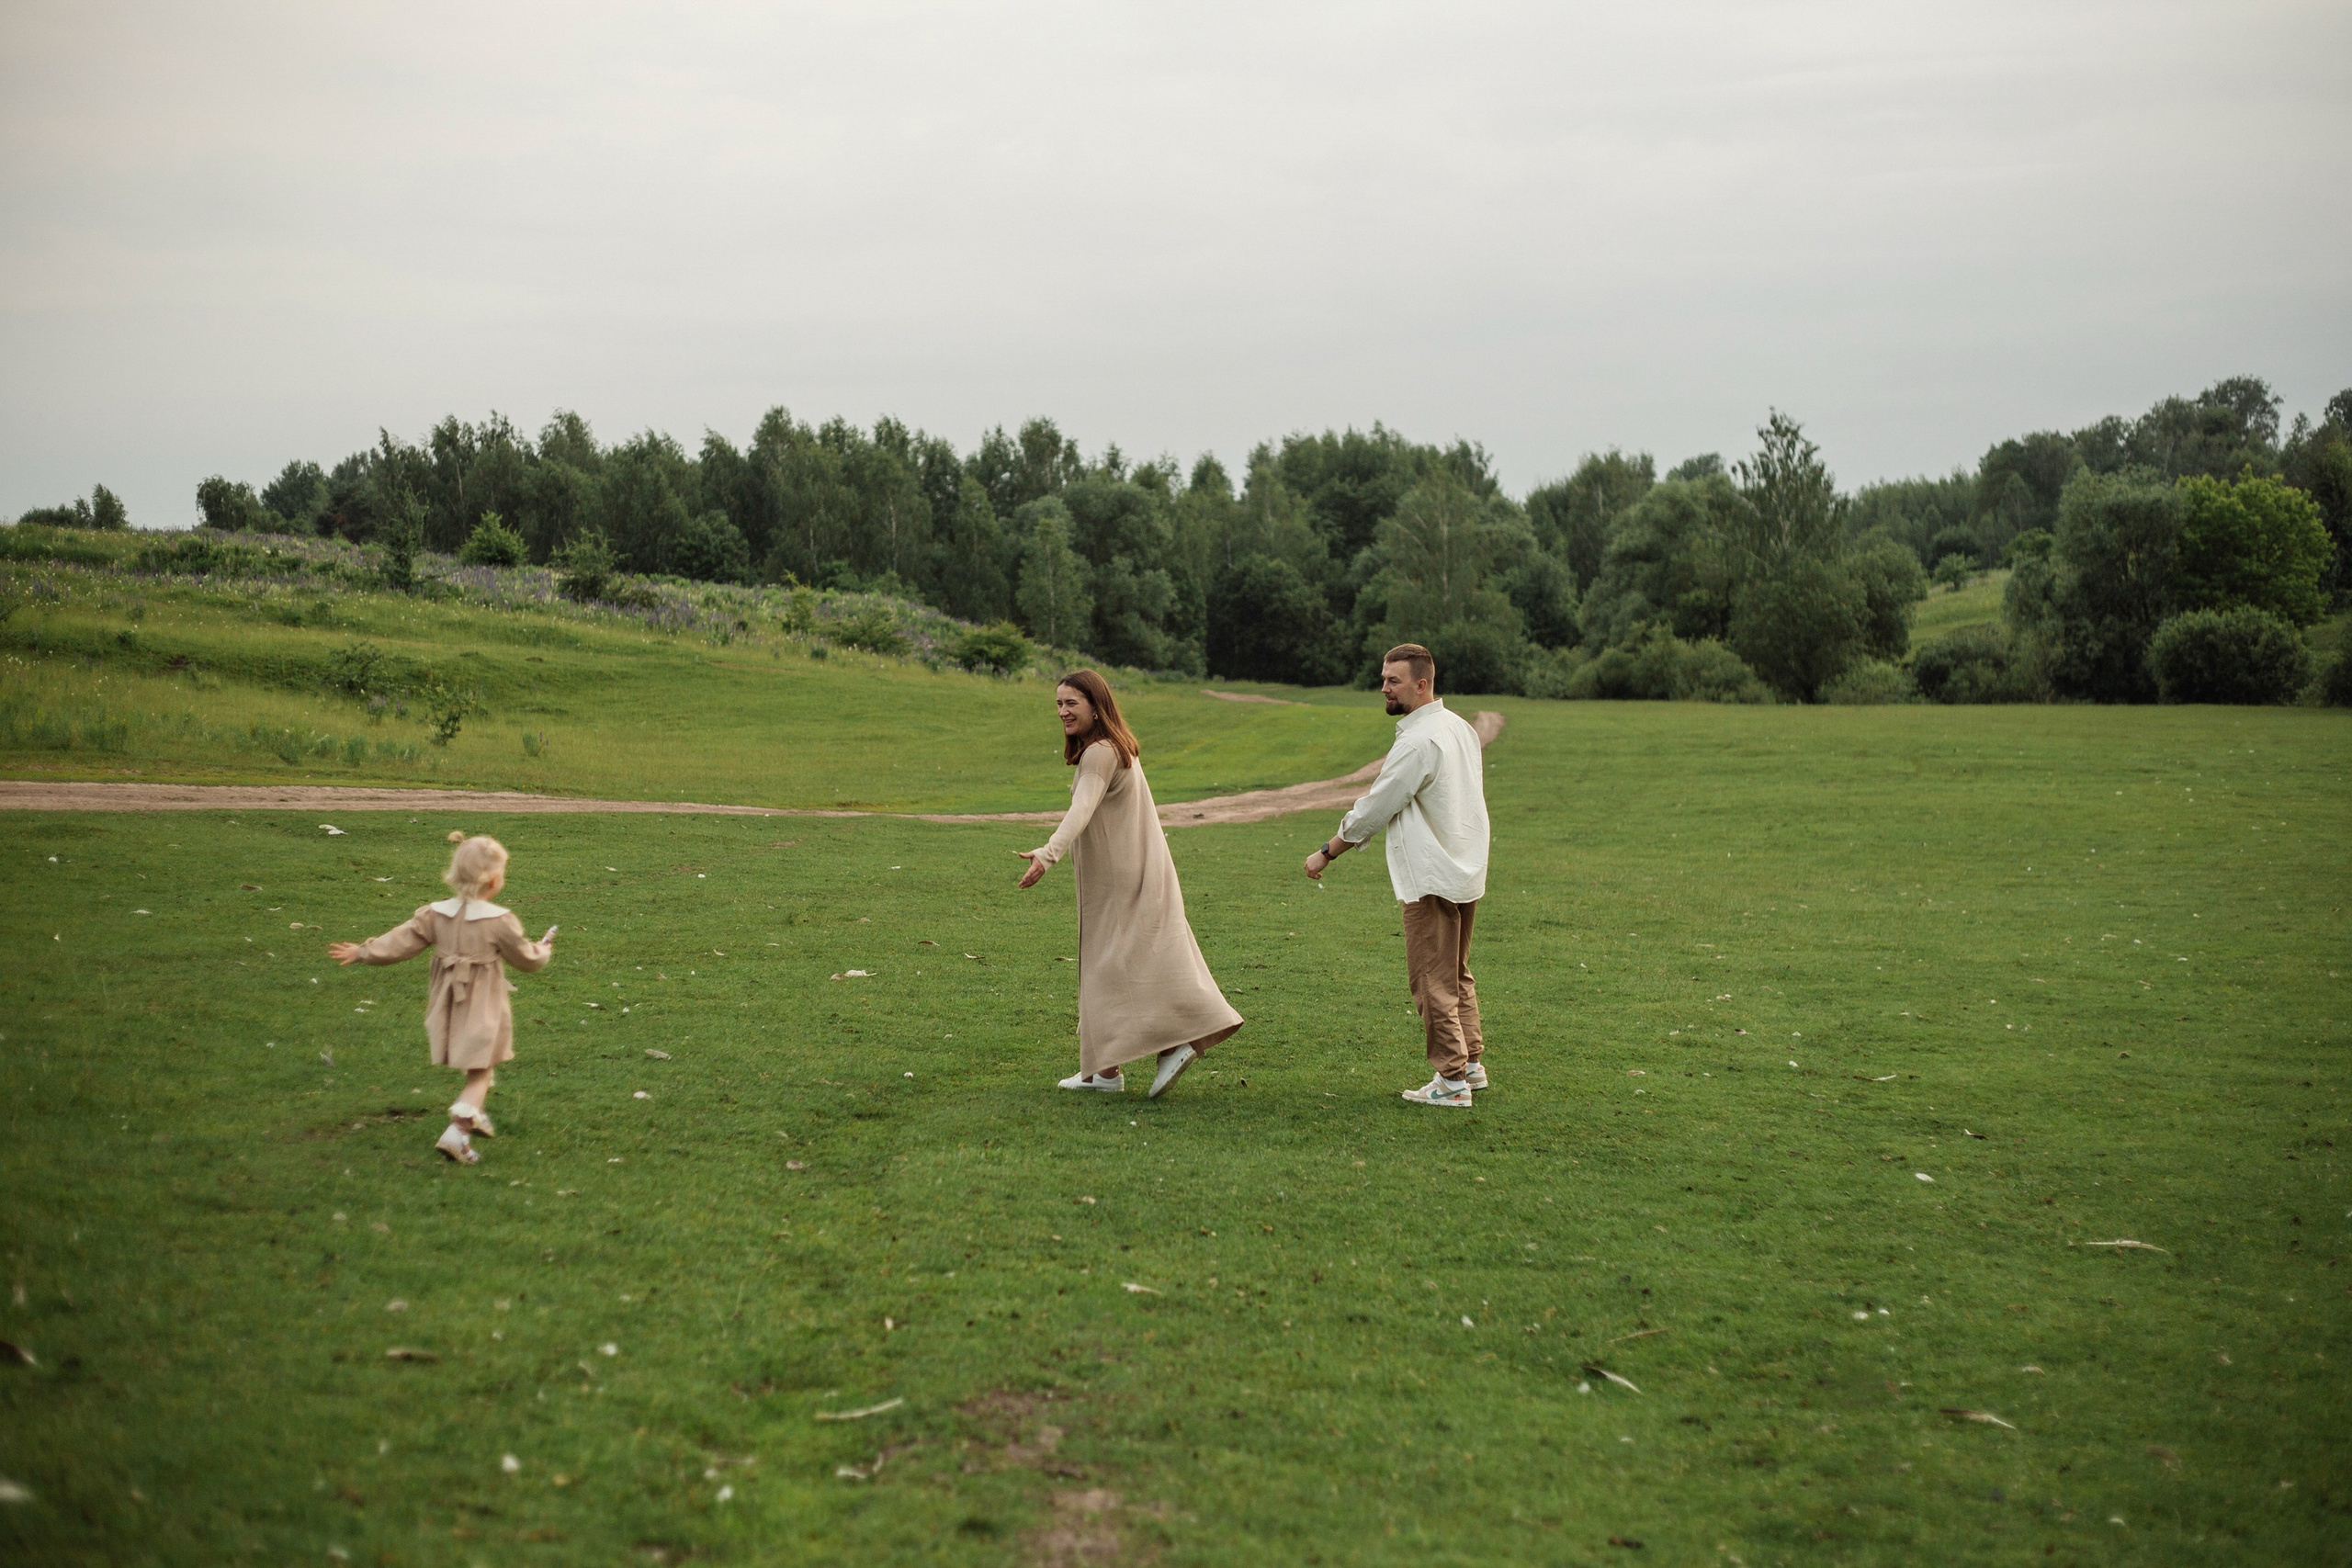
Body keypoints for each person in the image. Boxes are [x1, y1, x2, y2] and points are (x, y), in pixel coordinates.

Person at [1017, 670, 1243, 1099]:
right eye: (1058, 704)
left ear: (1095, 706)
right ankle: (1104, 1072)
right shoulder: (1111, 748)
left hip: (1123, 882)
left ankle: (1174, 1043)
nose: (1063, 712)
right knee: (1106, 967)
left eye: (1072, 703)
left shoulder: (1100, 753)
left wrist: (1047, 855)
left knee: (1114, 965)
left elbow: (1081, 810)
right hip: (1127, 876)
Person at [1304, 643, 1491, 1108]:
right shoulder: (1460, 728)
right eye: (1384, 678)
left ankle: (1451, 1082)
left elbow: (1376, 808)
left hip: (1432, 875)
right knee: (1455, 974)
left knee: (1432, 978)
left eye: (1393, 681)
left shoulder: (1418, 741)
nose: (1383, 688)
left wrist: (1328, 851)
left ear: (1421, 684)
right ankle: (1469, 1065)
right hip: (1466, 868)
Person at [328, 834, 554, 1163]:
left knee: (475, 1056)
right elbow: (526, 960)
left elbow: (401, 941)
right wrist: (542, 950)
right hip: (482, 1004)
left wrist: (364, 952)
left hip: (448, 1000)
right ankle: (458, 1131)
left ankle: (475, 1111)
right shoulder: (499, 921)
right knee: (482, 1069)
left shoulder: (435, 914)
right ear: (494, 879)